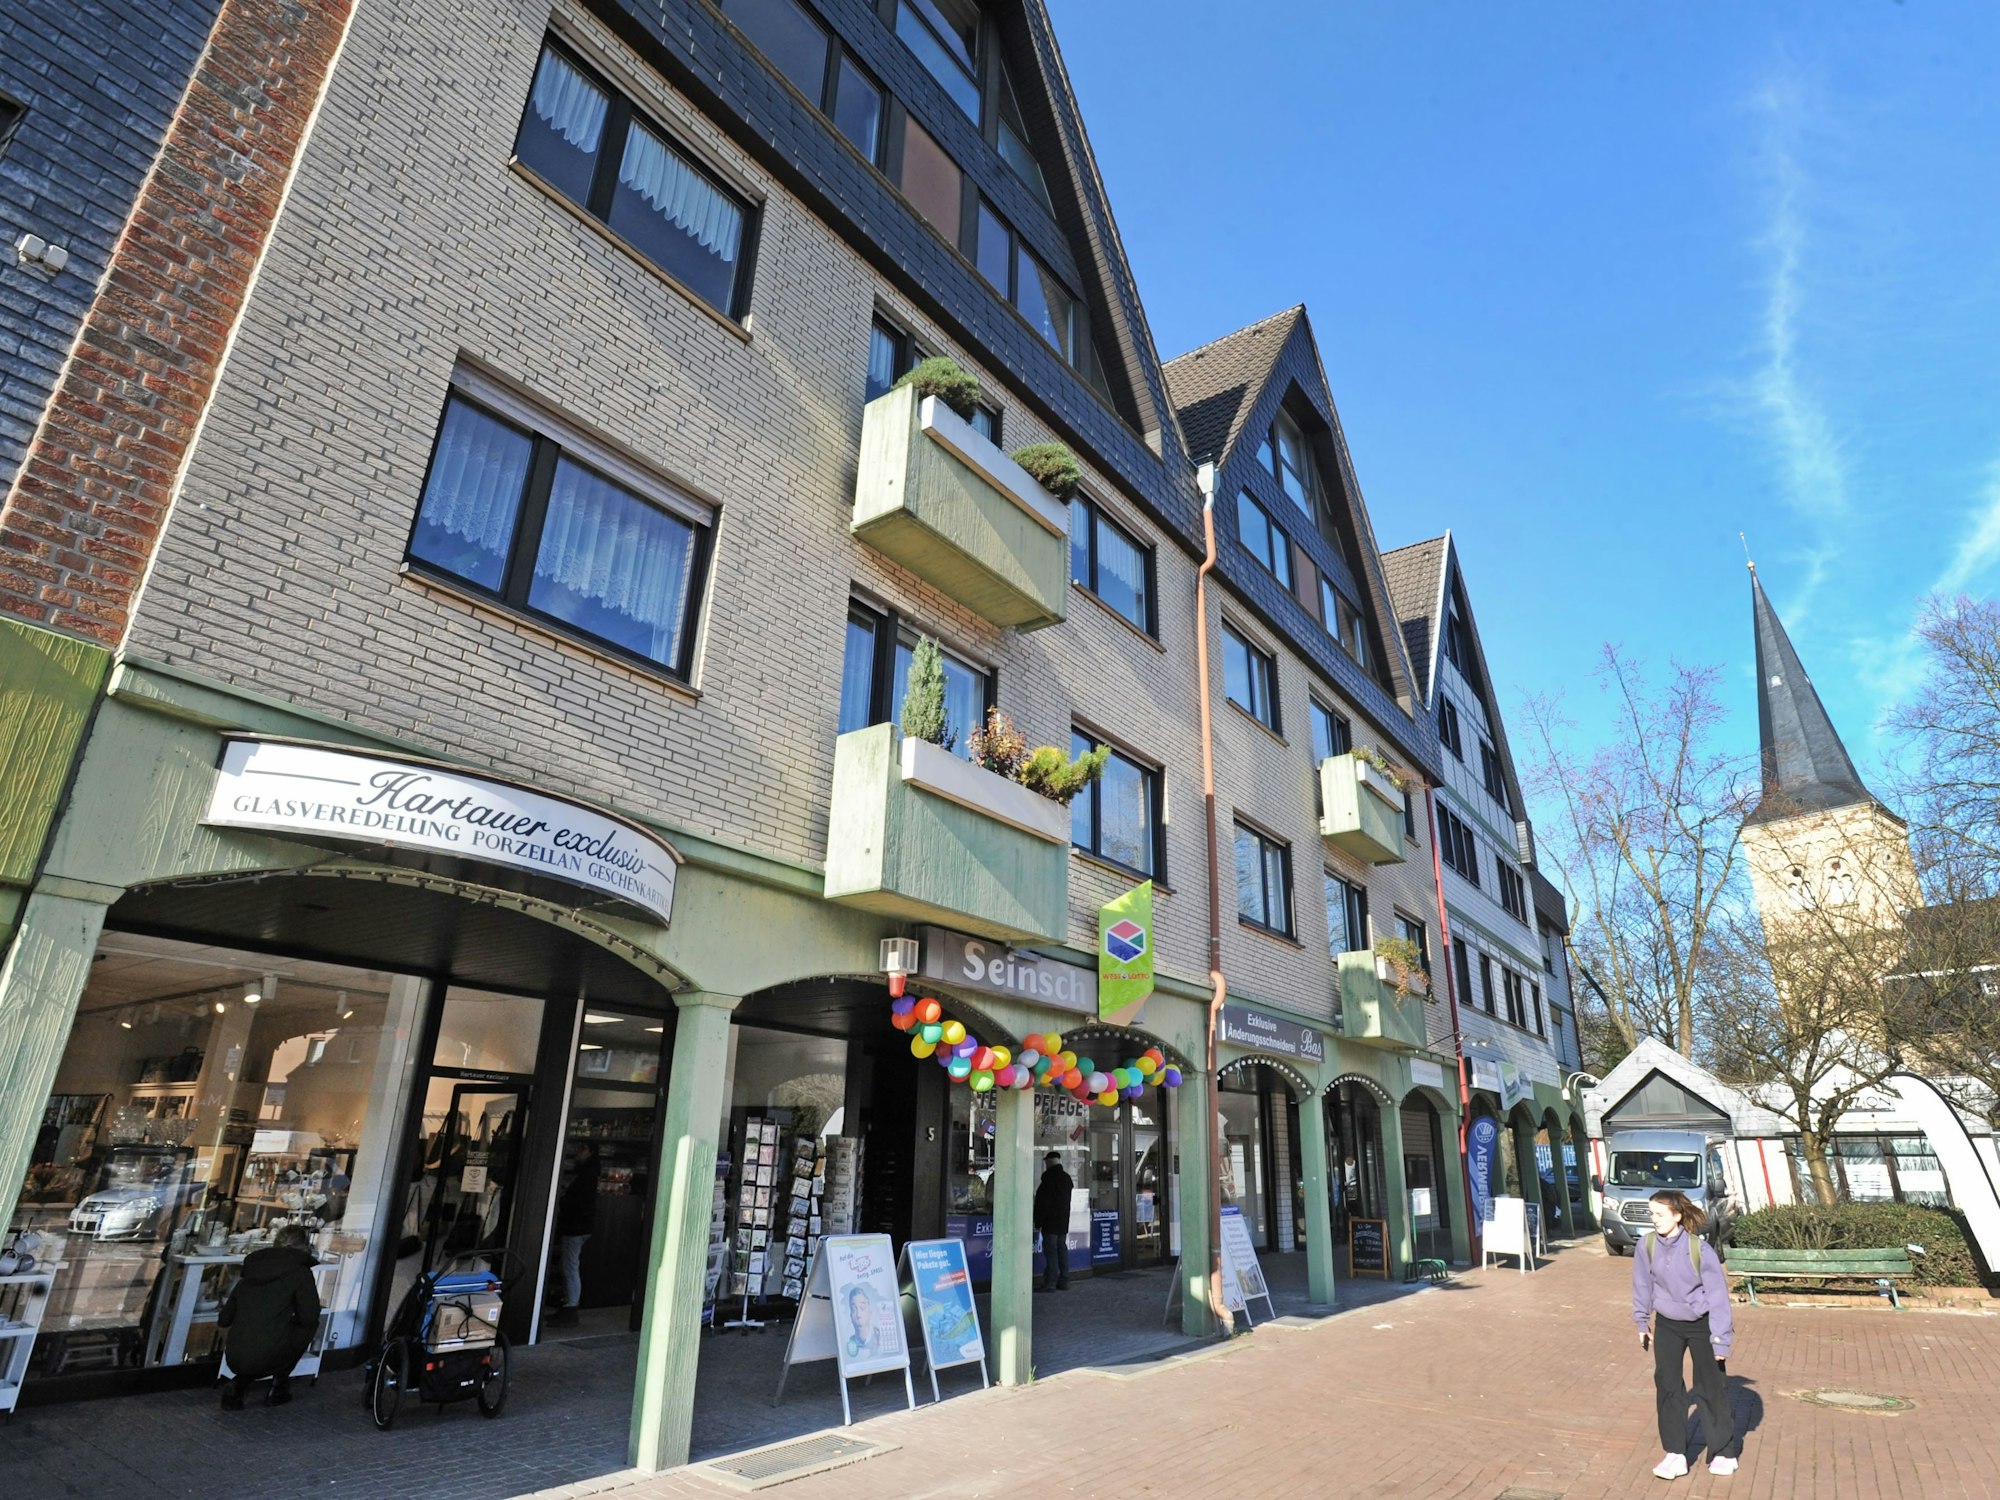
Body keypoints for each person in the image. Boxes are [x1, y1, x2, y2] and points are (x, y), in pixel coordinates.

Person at [1631, 1189, 1739, 1480]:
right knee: (1667, 1387)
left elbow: (1718, 1297)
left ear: (1677, 1216)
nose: (1654, 1220)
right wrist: (1642, 1323)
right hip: (1667, 1323)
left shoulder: (1699, 1249)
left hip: (1701, 1324)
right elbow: (1641, 1285)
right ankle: (1675, 1454)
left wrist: (1721, 1339)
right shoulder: (1647, 1245)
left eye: (1659, 1214)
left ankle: (1726, 1451)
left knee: (1709, 1388)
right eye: (1651, 1213)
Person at [218, 1225, 320, 1409]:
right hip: (268, 1350)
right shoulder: (300, 1273)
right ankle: (279, 1384)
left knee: (261, 1342)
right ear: (304, 1247)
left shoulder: (252, 1269)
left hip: (234, 1354)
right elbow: (309, 1316)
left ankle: (240, 1384)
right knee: (308, 1327)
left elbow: (224, 1318)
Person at [548, 1142, 598, 1326]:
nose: (578, 1152)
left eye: (582, 1148)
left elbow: (577, 1201)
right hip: (580, 1226)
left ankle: (571, 1307)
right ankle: (568, 1305)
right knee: (568, 1265)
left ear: (589, 1151)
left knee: (569, 1266)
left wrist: (564, 1198)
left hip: (576, 1227)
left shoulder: (586, 1174)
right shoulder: (589, 1173)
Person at [1034, 1151, 1074, 1291]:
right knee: (1061, 1250)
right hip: (1063, 1222)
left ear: (1049, 1162)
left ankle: (1050, 1283)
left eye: (1046, 1162)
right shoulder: (1067, 1179)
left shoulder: (1049, 1179)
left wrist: (1038, 1222)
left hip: (1050, 1222)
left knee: (1051, 1253)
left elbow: (1043, 1203)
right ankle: (1064, 1281)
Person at [843, 1284, 887, 1359]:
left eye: (862, 1308)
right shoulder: (847, 1345)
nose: (858, 1314)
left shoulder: (881, 1339)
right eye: (854, 1309)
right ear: (850, 1316)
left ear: (870, 1313)